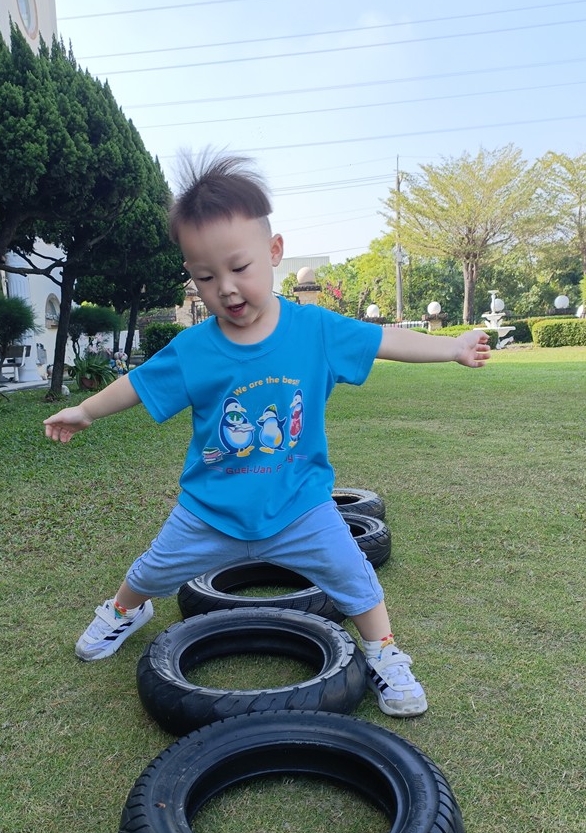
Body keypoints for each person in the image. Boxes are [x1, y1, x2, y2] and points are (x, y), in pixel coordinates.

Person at [43, 153, 491, 717]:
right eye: (206, 277)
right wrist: (85, 411)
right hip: (209, 511)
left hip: (300, 507)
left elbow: (385, 340)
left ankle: (384, 654)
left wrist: (452, 347)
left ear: (274, 252)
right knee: (151, 570)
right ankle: (124, 611)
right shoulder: (194, 348)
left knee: (354, 577)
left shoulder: (315, 329)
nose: (226, 289)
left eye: (239, 268)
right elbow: (139, 383)